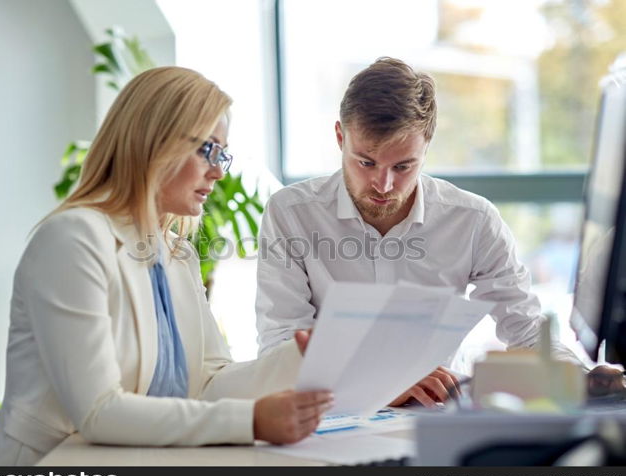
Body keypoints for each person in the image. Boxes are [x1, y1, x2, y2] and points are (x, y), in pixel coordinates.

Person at [0, 67, 332, 466]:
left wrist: (305, 356)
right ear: (155, 143)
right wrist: (251, 421)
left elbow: (209, 383)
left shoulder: (176, 253)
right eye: (209, 150)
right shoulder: (73, 239)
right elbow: (99, 412)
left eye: (224, 155)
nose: (218, 172)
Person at [256, 57, 609, 408]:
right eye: (366, 162)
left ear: (427, 146)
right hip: (326, 417)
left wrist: (585, 380)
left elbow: (528, 329)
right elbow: (280, 348)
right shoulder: (291, 214)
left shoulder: (472, 220)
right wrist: (383, 385)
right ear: (339, 137)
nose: (383, 184)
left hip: (436, 413)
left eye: (403, 166)